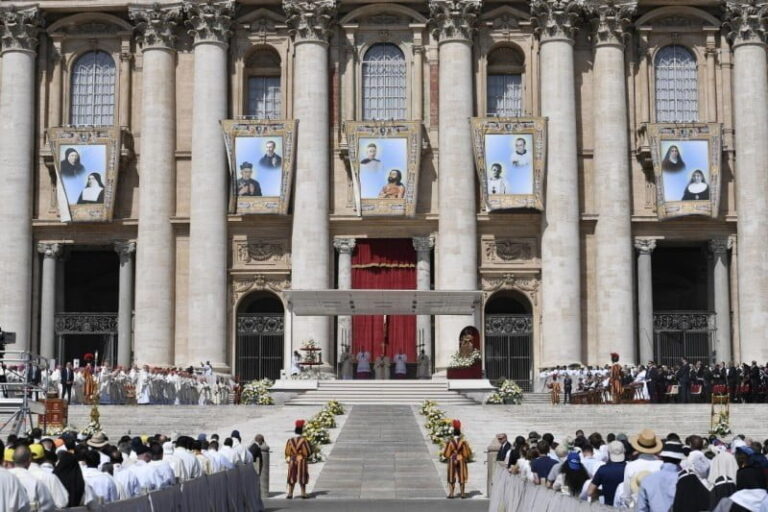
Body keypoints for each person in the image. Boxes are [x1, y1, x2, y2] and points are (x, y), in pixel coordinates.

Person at [634, 440, 686, 512]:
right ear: (680, 460)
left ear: (662, 458)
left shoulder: (648, 480)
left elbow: (641, 509)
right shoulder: (684, 481)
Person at [8, 445, 56, 511]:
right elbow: (50, 506)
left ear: (13, 459)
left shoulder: (4, 478)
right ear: (30, 460)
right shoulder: (36, 482)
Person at [588, 441, 627, 507]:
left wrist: (603, 492)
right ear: (624, 452)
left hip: (608, 507)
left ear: (609, 453)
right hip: (625, 508)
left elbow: (590, 492)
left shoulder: (603, 469)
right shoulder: (629, 468)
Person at [442, 420, 471, 499]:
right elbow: (466, 453)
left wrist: (449, 456)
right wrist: (464, 456)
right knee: (462, 476)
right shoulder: (463, 442)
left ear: (453, 433)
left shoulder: (450, 442)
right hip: (460, 459)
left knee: (451, 476)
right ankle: (462, 494)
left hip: (452, 459)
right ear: (460, 433)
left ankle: (451, 494)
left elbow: (446, 454)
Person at [285, 419, 311, 499]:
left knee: (292, 475)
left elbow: (287, 451)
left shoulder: (290, 440)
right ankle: (303, 493)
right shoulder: (304, 440)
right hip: (301, 459)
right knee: (302, 475)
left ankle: (290, 493)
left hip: (293, 459)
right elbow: (307, 451)